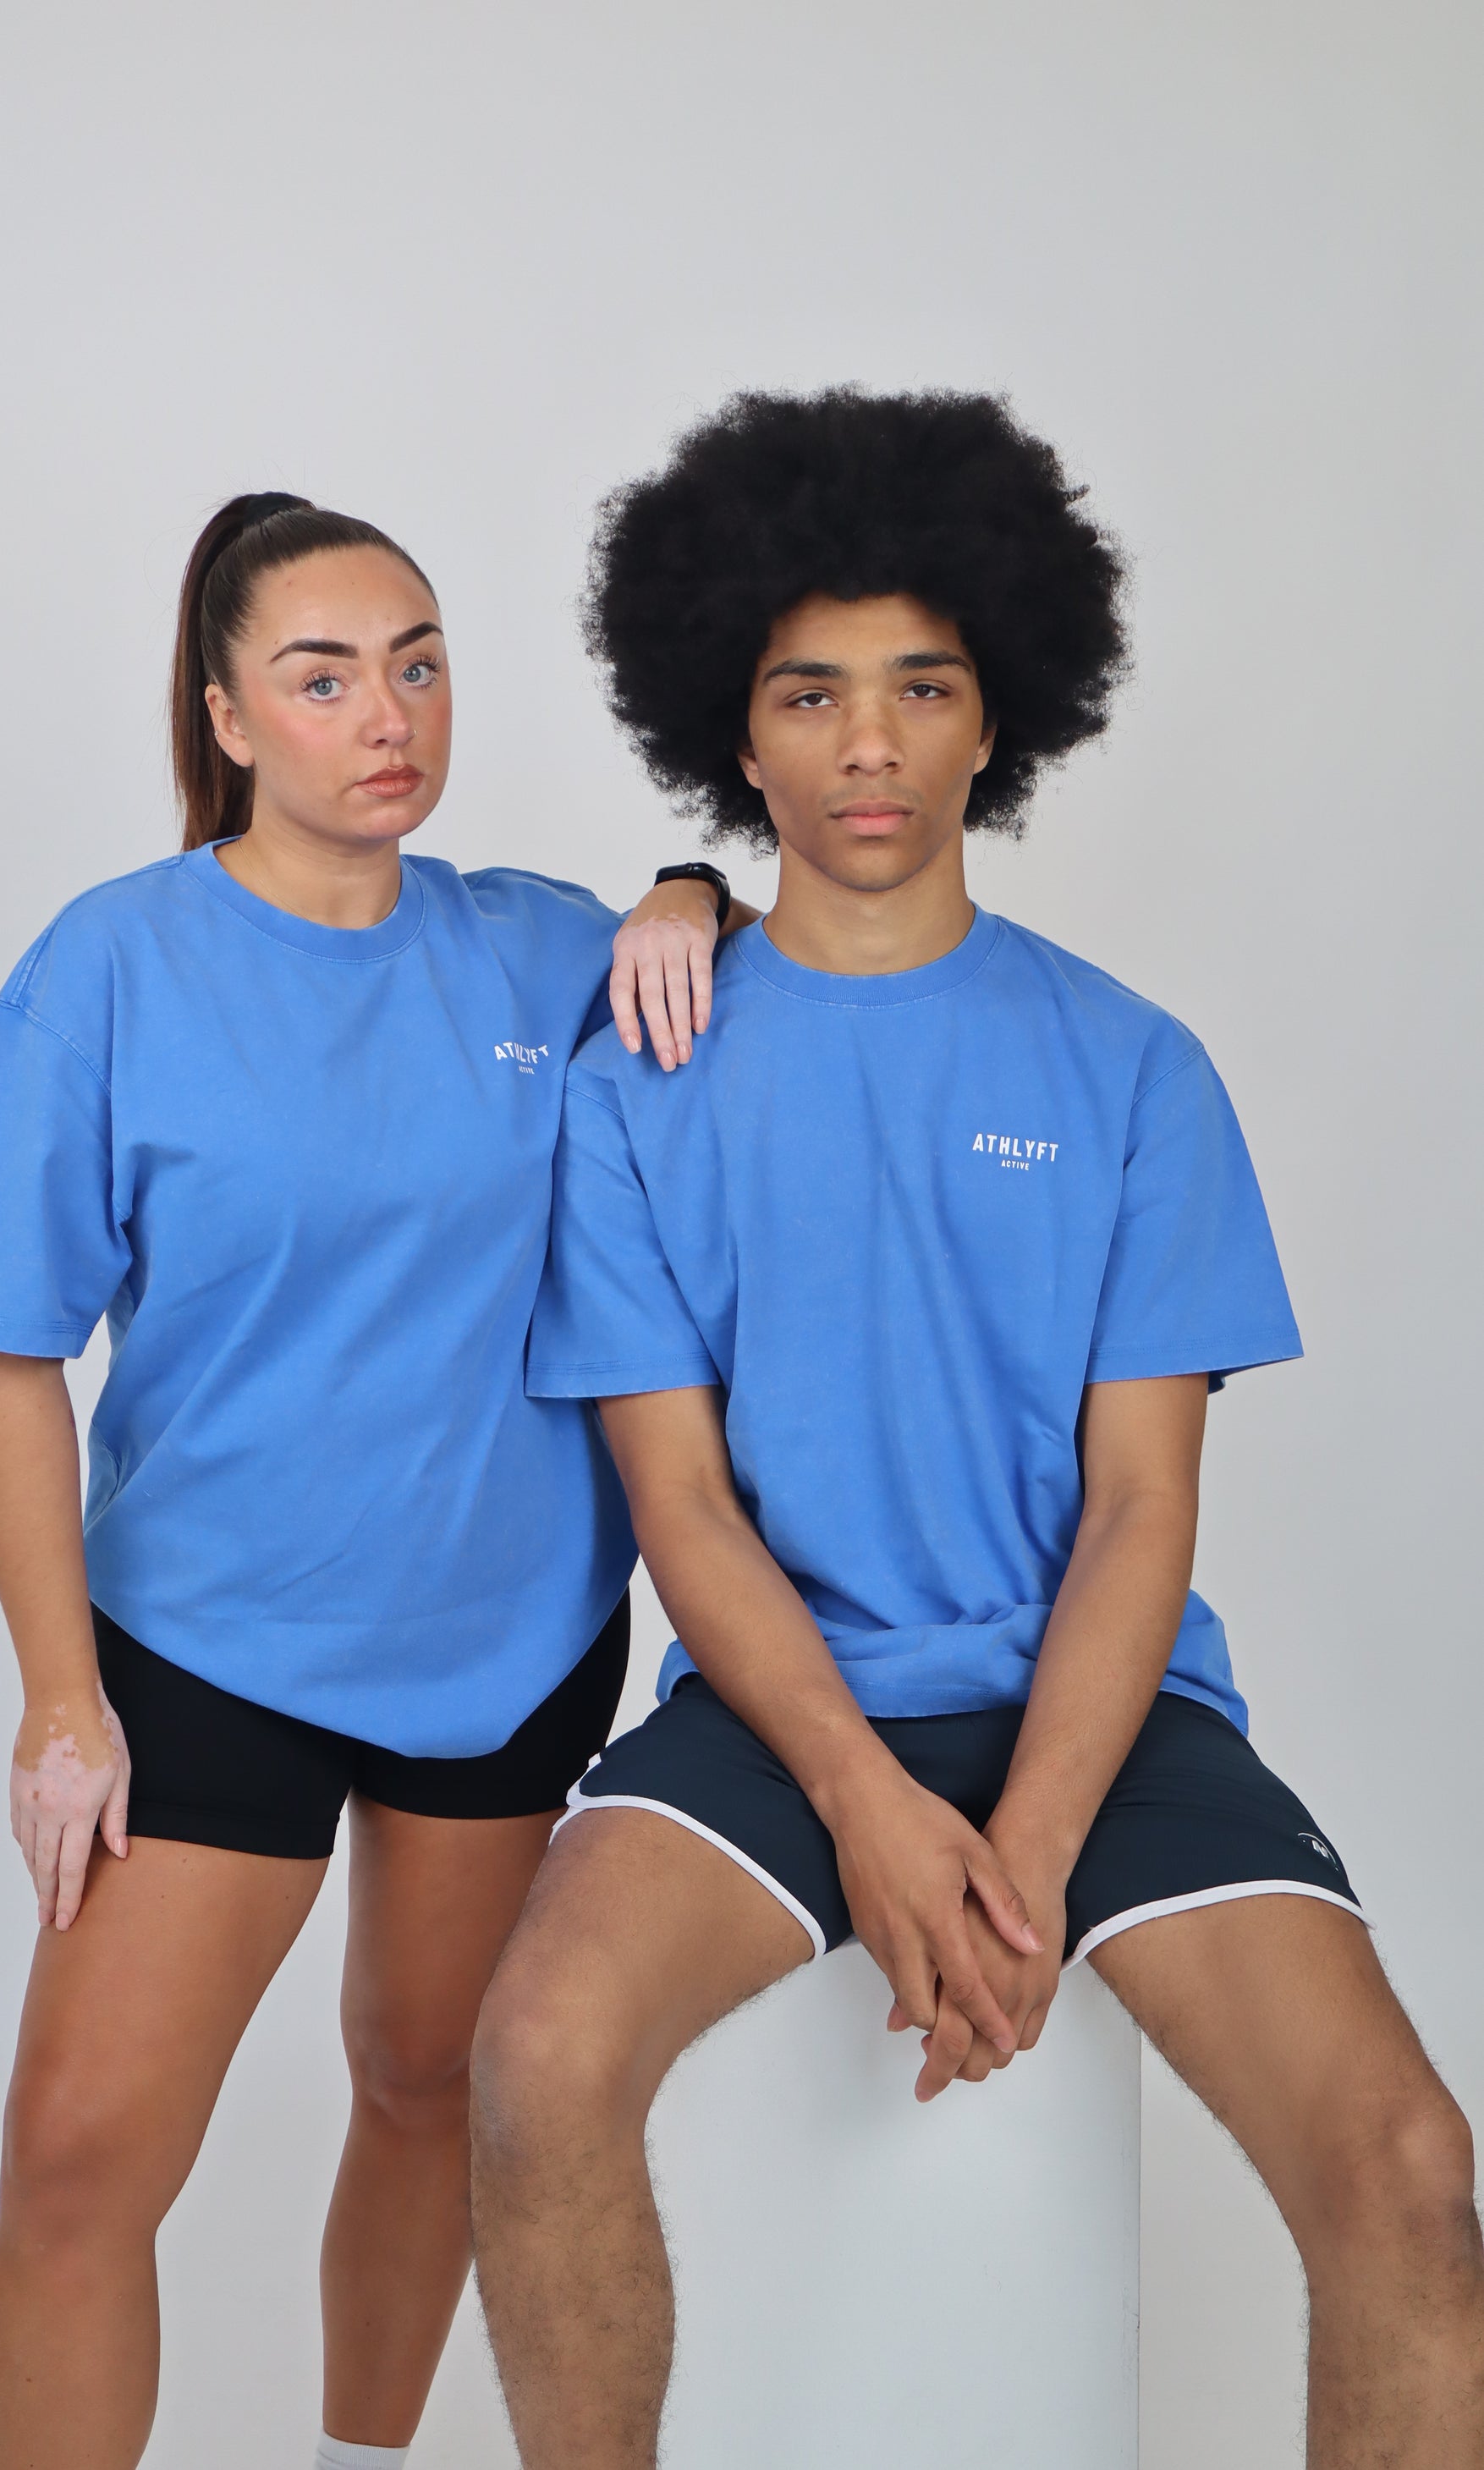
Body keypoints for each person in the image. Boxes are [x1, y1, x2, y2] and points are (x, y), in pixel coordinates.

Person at [468, 391, 1484, 2469]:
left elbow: (1138, 1509)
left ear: (992, 717)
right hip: (777, 1706)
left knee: (1404, 2164)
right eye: (811, 693)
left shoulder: (1133, 1066)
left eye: (919, 687)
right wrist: (860, 1795)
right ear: (738, 739)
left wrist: (1019, 1855)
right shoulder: (636, 1085)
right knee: (535, 2056)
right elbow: (679, 1504)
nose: (868, 742)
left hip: (1100, 1705)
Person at [0, 489, 754, 2470]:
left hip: (507, 1634)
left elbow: (740, 974)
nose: (389, 713)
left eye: (420, 664)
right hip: (209, 1644)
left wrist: (688, 886)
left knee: (429, 2087)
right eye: (325, 675)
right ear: (227, 716)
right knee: (78, 2157)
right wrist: (57, 1694)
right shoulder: (114, 965)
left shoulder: (539, 947)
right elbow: (8, 1350)